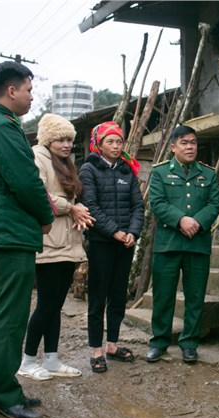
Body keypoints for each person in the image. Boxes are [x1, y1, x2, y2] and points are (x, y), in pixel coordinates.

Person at [0, 61, 54, 418]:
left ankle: (1, 387)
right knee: (10, 316)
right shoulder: (1, 127)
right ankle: (3, 394)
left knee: (2, 313)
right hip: (9, 228)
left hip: (2, 227)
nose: (33, 96)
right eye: (30, 89)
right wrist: (46, 217)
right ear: (12, 90)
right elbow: (24, 180)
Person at [17, 114, 95, 381]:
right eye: (61, 139)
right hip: (48, 242)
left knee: (56, 305)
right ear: (48, 138)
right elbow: (37, 193)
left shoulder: (64, 162)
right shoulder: (37, 157)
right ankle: (27, 361)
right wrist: (70, 207)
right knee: (46, 305)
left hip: (67, 243)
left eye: (70, 140)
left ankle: (51, 359)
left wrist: (76, 207)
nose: (66, 145)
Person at [145, 126, 219, 363]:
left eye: (194, 143)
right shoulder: (159, 173)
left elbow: (214, 203)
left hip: (197, 244)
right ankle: (159, 342)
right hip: (168, 244)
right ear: (173, 147)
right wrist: (181, 220)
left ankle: (189, 343)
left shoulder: (208, 174)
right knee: (163, 296)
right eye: (185, 143)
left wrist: (197, 222)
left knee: (195, 296)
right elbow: (156, 202)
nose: (190, 147)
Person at [79, 121, 144, 373]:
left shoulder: (128, 170)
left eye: (119, 142)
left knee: (118, 295)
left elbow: (138, 206)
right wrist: (115, 232)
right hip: (101, 243)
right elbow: (91, 207)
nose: (116, 146)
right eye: (110, 142)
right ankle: (96, 350)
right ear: (99, 144)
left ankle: (112, 345)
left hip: (125, 243)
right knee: (98, 296)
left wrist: (132, 232)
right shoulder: (89, 170)